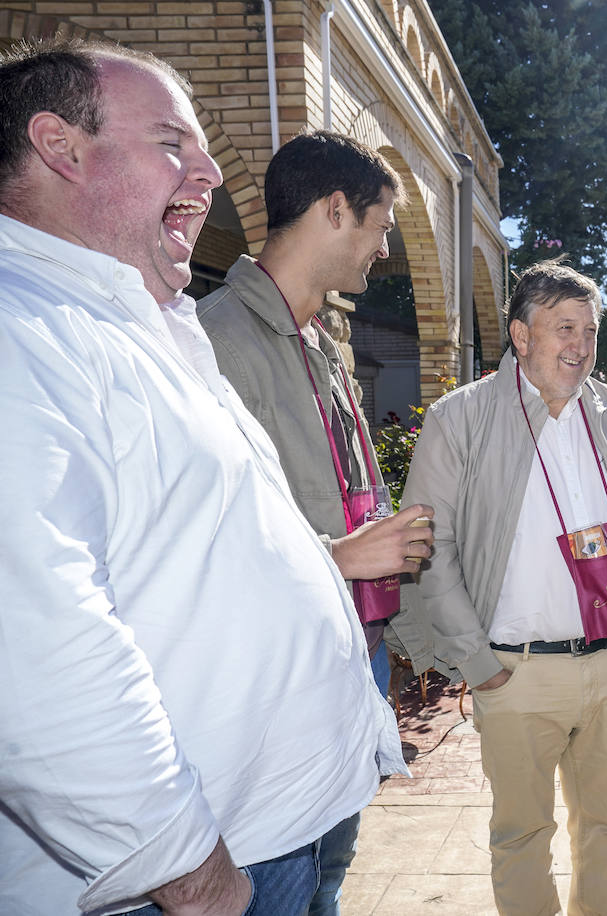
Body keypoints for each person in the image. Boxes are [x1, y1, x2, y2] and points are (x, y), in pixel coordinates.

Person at [0, 38, 405, 914]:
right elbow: (33, 649)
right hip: (187, 872)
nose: (212, 173)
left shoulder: (148, 322)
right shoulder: (21, 330)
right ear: (58, 146)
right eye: (172, 144)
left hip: (269, 825)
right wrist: (185, 866)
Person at [196, 130, 435, 916]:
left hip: (350, 651)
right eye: (380, 226)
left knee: (329, 874)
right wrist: (338, 555)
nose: (383, 249)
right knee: (282, 882)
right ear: (336, 210)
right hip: (277, 678)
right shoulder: (215, 339)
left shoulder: (325, 343)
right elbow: (203, 540)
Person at [401, 259, 607, 915]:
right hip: (517, 673)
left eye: (589, 330)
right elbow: (427, 543)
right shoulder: (460, 418)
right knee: (522, 835)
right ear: (521, 337)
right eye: (563, 329)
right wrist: (476, 661)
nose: (579, 347)